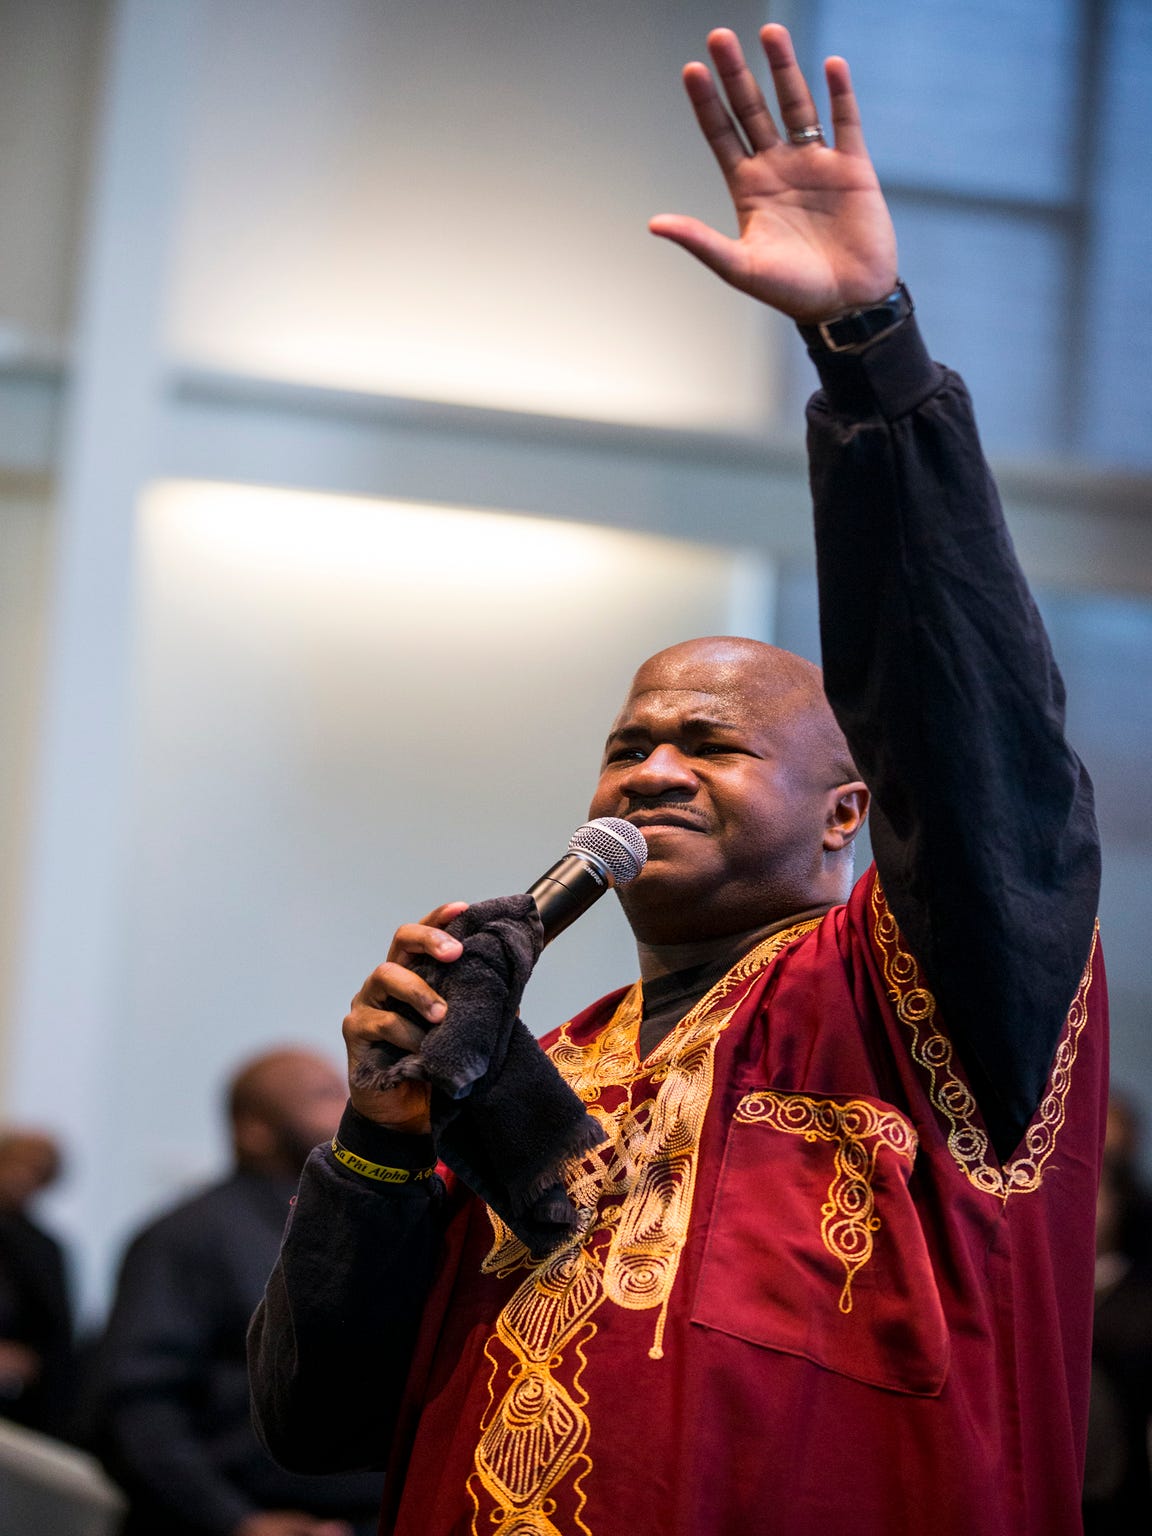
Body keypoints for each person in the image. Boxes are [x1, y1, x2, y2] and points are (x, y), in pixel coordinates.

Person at [248, 27, 1106, 1536]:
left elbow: (969, 731)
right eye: (629, 741)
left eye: (709, 744)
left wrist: (870, 352)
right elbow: (323, 1421)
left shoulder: (928, 1003)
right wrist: (387, 1129)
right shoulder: (543, 1068)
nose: (650, 766)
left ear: (852, 808)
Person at [93, 1048, 385, 1536]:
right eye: (324, 1093)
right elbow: (138, 1407)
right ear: (255, 1129)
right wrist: (237, 1521)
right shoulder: (187, 1237)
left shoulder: (361, 1227)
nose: (350, 1105)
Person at [0, 1128, 74, 1437]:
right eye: (19, 1164)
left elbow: (56, 1337)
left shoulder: (44, 1249)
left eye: (37, 1170)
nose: (24, 1177)